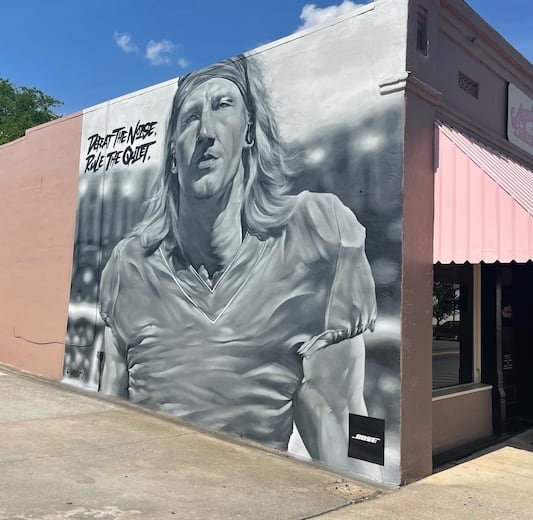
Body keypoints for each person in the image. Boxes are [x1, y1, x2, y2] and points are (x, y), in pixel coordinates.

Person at [99, 54, 377, 474]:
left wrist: (372, 503)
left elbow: (344, 412)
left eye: (223, 106)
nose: (206, 132)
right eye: (190, 118)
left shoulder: (317, 234)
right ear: (172, 153)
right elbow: (108, 413)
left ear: (249, 130)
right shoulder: (130, 265)